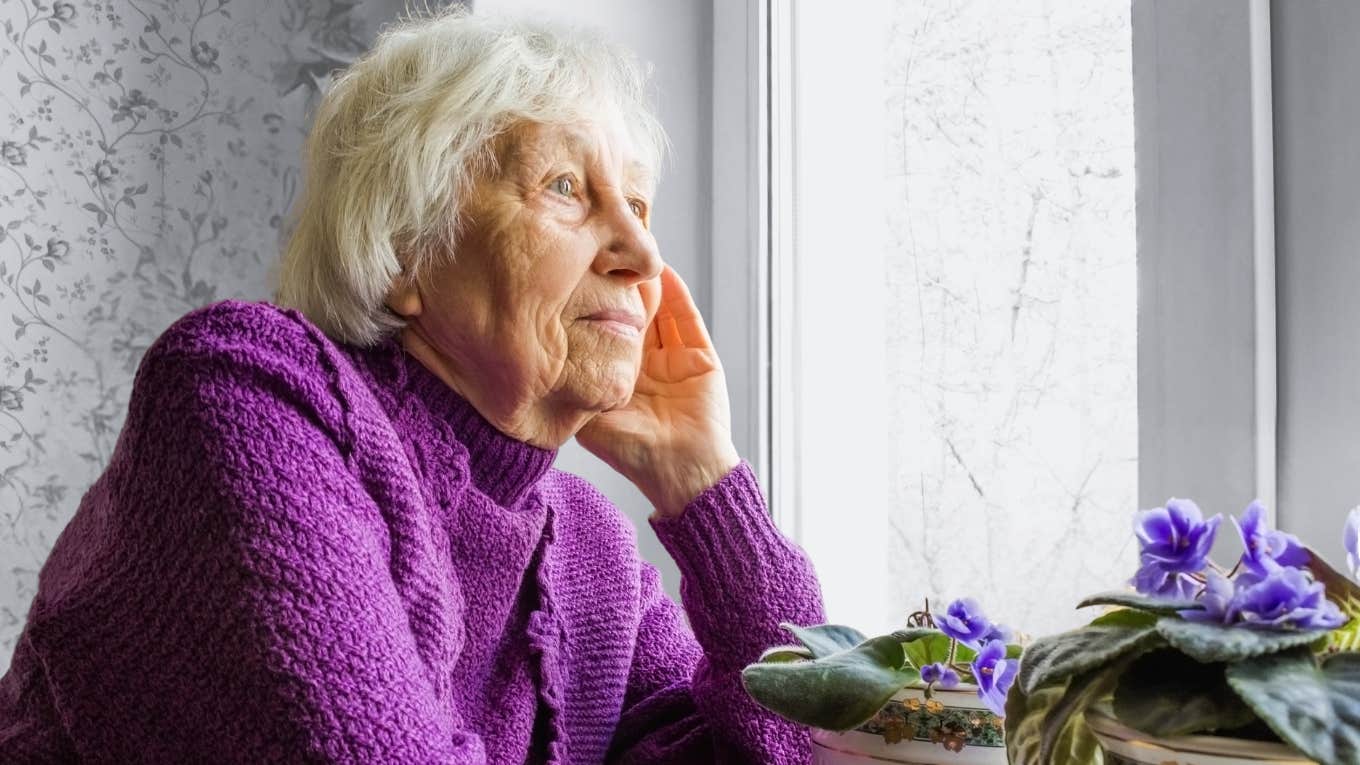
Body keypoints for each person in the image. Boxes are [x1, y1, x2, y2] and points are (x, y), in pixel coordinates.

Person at [0, 8, 824, 763]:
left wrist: (707, 488)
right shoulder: (250, 398)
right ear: (406, 248)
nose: (643, 255)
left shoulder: (588, 549)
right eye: (566, 188)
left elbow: (794, 744)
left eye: (639, 204)